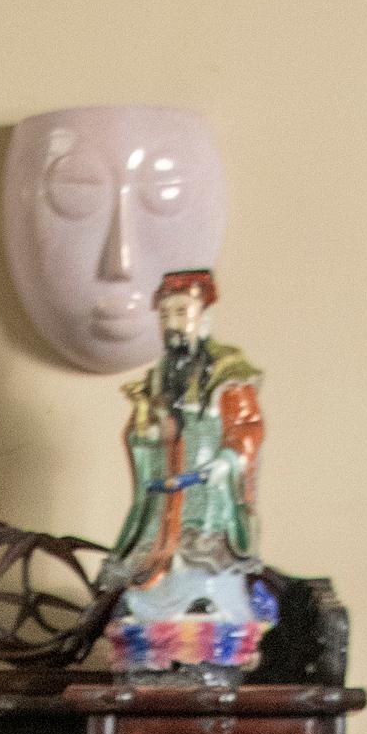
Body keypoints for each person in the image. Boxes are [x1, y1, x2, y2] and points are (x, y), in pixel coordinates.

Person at [103, 270, 268, 629]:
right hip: (168, 495)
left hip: (209, 494)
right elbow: (144, 439)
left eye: (181, 313)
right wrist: (144, 425)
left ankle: (209, 613)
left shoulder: (228, 371)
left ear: (204, 316)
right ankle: (152, 618)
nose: (172, 325)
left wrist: (228, 459)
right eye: (164, 317)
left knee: (205, 557)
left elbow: (247, 426)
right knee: (155, 559)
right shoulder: (160, 377)